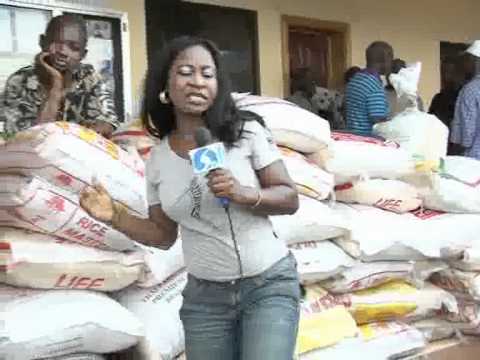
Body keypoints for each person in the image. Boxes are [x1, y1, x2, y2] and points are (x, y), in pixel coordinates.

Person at [79, 36, 300, 360]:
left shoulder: (246, 133)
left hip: (267, 286)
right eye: (186, 72)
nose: (197, 82)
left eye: (207, 74)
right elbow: (163, 235)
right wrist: (114, 215)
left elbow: (289, 197)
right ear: (165, 86)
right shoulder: (157, 160)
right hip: (206, 300)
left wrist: (242, 192)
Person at [0, 14, 118, 138]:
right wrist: (56, 86)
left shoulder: (89, 77)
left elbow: (108, 122)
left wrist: (102, 126)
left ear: (83, 54)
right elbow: (29, 139)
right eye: (56, 43)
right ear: (42, 42)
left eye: (74, 48)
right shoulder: (19, 81)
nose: (63, 52)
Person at [344, 41, 393, 136]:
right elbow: (379, 123)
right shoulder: (374, 86)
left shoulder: (355, 80)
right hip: (368, 142)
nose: (391, 64)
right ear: (385, 59)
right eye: (391, 59)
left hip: (353, 139)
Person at [450, 41, 480, 159]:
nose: (463, 65)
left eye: (466, 60)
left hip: (475, 160)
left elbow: (467, 135)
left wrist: (453, 156)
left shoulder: (470, 89)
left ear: (474, 61)